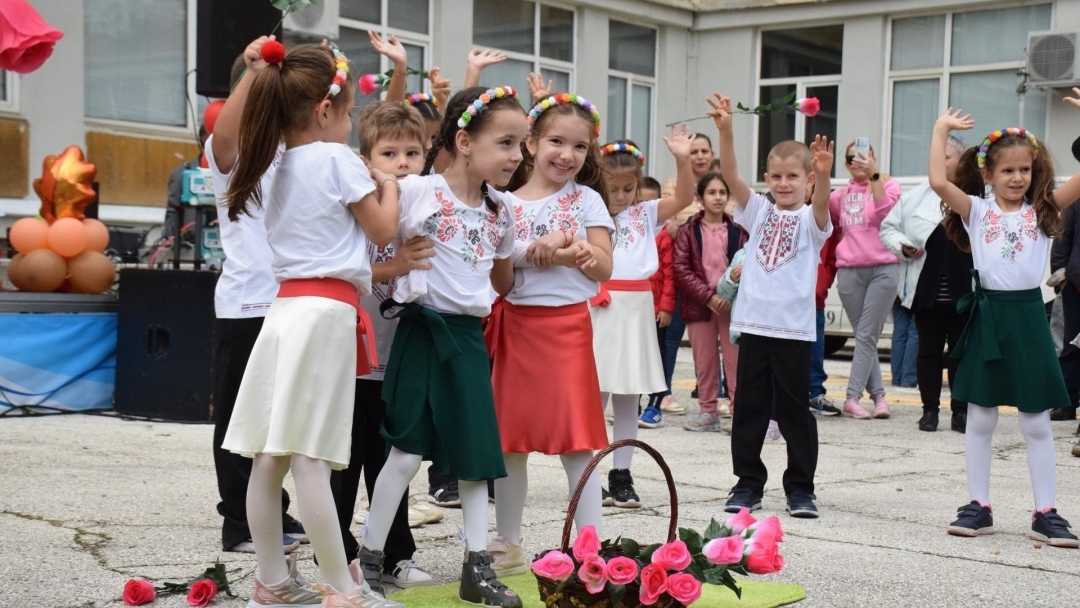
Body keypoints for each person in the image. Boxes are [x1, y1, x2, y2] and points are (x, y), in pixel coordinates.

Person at [221, 43, 401, 605]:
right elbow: (380, 231)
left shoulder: (269, 164)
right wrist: (388, 184)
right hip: (324, 314)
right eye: (348, 115)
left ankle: (272, 582)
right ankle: (344, 586)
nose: (348, 126)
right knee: (311, 460)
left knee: (270, 458)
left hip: (283, 312)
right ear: (325, 112)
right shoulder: (336, 160)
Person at [358, 86, 526, 608]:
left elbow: (501, 281)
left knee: (475, 455)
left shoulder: (502, 210)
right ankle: (366, 563)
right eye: (505, 143)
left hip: (469, 338)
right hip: (421, 331)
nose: (516, 156)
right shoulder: (418, 191)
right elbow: (368, 231)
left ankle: (477, 568)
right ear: (465, 142)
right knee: (406, 453)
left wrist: (513, 248)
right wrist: (396, 257)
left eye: (521, 144)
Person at [930, 103, 1080, 548]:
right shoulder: (975, 209)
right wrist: (941, 128)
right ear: (988, 174)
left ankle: (1046, 511)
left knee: (1036, 421)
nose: (1017, 178)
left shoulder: (1043, 210)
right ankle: (979, 505)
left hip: (1029, 317)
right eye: (1008, 170)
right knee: (980, 417)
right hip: (988, 316)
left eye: (1025, 170)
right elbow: (939, 180)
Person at [485, 92, 614, 576]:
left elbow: (603, 266)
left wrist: (575, 245)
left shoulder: (588, 199)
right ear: (532, 142)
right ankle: (510, 544)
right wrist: (541, 249)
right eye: (556, 141)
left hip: (567, 329)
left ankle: (589, 550)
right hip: (517, 328)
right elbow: (499, 270)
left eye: (579, 147)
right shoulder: (504, 203)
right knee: (509, 444)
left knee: (578, 445)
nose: (567, 154)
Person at [328, 100, 438, 593]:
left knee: (392, 462)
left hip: (400, 360)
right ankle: (337, 554)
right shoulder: (356, 207)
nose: (401, 164)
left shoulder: (426, 209)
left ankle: (394, 554)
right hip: (351, 361)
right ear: (364, 158)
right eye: (388, 153)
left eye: (412, 153)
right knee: (344, 462)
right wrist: (396, 266)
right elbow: (346, 273)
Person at [710, 92, 833, 519]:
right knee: (750, 408)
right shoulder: (758, 211)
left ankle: (801, 488)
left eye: (794, 177)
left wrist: (824, 174)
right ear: (768, 176)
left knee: (796, 409)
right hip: (755, 327)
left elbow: (821, 205)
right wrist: (725, 130)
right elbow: (730, 173)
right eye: (777, 176)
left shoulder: (812, 221)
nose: (784, 184)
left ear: (807, 180)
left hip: (794, 330)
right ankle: (748, 483)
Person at [204, 37, 304, 558]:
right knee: (240, 423)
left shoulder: (295, 152)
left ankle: (272, 513)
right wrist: (254, 67)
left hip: (293, 303)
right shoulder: (231, 152)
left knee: (276, 422)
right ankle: (238, 524)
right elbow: (224, 126)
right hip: (246, 305)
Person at [592, 131, 696, 508]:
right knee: (595, 394)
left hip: (636, 307)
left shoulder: (644, 213)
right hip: (600, 306)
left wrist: (682, 159)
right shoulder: (588, 211)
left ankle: (622, 473)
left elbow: (684, 198)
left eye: (628, 188)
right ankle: (589, 472)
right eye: (613, 188)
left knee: (628, 395)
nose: (621, 197)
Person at [879, 134, 973, 433]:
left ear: (960, 160)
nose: (940, 163)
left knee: (961, 354)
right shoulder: (916, 196)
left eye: (946, 157)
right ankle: (929, 411)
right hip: (927, 291)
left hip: (965, 293)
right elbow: (889, 229)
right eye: (937, 157)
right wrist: (903, 245)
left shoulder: (977, 195)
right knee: (928, 352)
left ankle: (960, 412)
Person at [829, 140, 902, 419]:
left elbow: (886, 216)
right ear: (846, 164)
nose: (857, 161)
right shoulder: (839, 195)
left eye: (863, 156)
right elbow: (836, 228)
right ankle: (880, 397)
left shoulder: (890, 186)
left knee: (868, 334)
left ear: (873, 157)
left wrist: (874, 178)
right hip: (849, 269)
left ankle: (852, 396)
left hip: (883, 268)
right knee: (864, 337)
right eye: (851, 158)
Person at [674, 172, 742, 432]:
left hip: (732, 305)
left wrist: (726, 295)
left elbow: (747, 262)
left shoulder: (738, 230)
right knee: (705, 360)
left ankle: (738, 411)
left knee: (736, 361)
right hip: (700, 305)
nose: (717, 198)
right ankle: (708, 410)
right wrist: (708, 296)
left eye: (722, 193)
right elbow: (681, 269)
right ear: (700, 198)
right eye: (711, 193)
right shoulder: (688, 231)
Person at [642, 176, 681, 416]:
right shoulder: (630, 230)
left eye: (650, 202)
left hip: (657, 311)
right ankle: (631, 402)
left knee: (658, 357)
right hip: (635, 309)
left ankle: (655, 404)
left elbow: (670, 275)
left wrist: (666, 308)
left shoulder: (667, 234)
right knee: (636, 357)